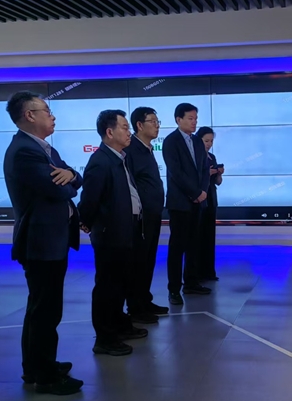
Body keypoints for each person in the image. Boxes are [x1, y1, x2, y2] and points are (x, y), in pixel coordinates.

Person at [3, 91, 83, 395]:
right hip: (41, 242)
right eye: (47, 111)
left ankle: (36, 366)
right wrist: (70, 181)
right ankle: (45, 376)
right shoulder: (25, 151)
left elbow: (74, 177)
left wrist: (71, 174)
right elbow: (58, 190)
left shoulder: (44, 148)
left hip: (52, 240)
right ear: (29, 115)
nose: (53, 116)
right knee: (45, 311)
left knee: (42, 308)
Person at [78, 110, 147, 356]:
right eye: (125, 128)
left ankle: (119, 326)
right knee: (108, 287)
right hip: (110, 234)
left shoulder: (119, 158)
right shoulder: (100, 161)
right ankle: (105, 339)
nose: (129, 132)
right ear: (109, 132)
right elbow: (90, 199)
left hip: (126, 230)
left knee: (121, 283)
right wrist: (86, 222)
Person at [161, 103, 211, 305]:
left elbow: (205, 169)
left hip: (198, 202)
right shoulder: (170, 141)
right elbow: (176, 172)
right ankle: (174, 289)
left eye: (195, 118)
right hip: (180, 202)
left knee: (194, 244)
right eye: (190, 118)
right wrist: (195, 193)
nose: (194, 122)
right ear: (178, 119)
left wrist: (203, 191)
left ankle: (191, 282)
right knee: (177, 246)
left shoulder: (197, 141)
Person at [124, 106, 169, 322]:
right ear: (139, 125)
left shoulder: (147, 149)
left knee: (149, 259)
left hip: (153, 214)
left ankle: (145, 299)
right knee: (138, 261)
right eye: (153, 121)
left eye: (158, 121)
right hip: (140, 218)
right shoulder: (131, 149)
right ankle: (136, 307)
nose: (157, 125)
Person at [196, 126, 223, 281]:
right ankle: (197, 272)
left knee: (209, 236)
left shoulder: (212, 157)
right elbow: (194, 177)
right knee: (198, 236)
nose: (209, 144)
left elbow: (217, 182)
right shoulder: (195, 156)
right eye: (206, 141)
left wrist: (218, 173)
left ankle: (209, 271)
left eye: (211, 141)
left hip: (211, 198)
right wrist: (207, 172)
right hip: (199, 199)